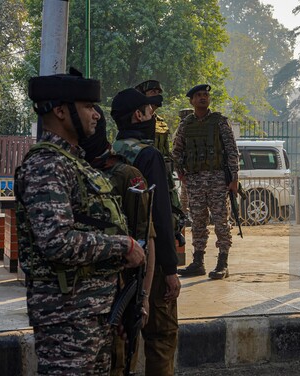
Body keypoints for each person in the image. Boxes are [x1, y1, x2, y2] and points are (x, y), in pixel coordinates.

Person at [14, 69, 145, 375]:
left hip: (91, 314)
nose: (96, 115)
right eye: (87, 107)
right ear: (60, 111)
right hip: (67, 319)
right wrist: (122, 246)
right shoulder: (47, 165)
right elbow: (57, 241)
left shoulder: (73, 162)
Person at [78, 106, 156, 376]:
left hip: (120, 294)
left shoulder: (126, 175)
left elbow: (146, 241)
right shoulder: (72, 170)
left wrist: (143, 297)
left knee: (119, 362)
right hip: (81, 302)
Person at [111, 88, 181, 375]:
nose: (154, 117)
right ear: (139, 115)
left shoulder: (111, 151)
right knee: (161, 337)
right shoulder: (148, 155)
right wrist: (170, 269)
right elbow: (160, 217)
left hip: (119, 259)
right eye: (150, 111)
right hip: (150, 261)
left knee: (123, 343)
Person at [173, 84, 239, 280]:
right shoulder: (186, 125)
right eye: (198, 96)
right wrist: (181, 174)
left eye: (205, 95)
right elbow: (176, 151)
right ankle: (198, 262)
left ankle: (222, 263)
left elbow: (232, 151)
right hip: (194, 181)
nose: (203, 98)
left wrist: (234, 179)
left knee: (221, 222)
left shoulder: (219, 122)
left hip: (218, 179)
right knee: (198, 222)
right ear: (191, 101)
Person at [135, 79, 187, 247]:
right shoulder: (137, 118)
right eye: (153, 93)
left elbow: (166, 151)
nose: (158, 96)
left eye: (159, 92)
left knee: (171, 212)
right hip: (144, 174)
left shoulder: (161, 122)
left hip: (163, 174)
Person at [177, 108, 194, 223]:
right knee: (185, 198)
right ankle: (185, 217)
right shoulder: (182, 131)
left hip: (192, 170)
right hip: (187, 170)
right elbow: (176, 152)